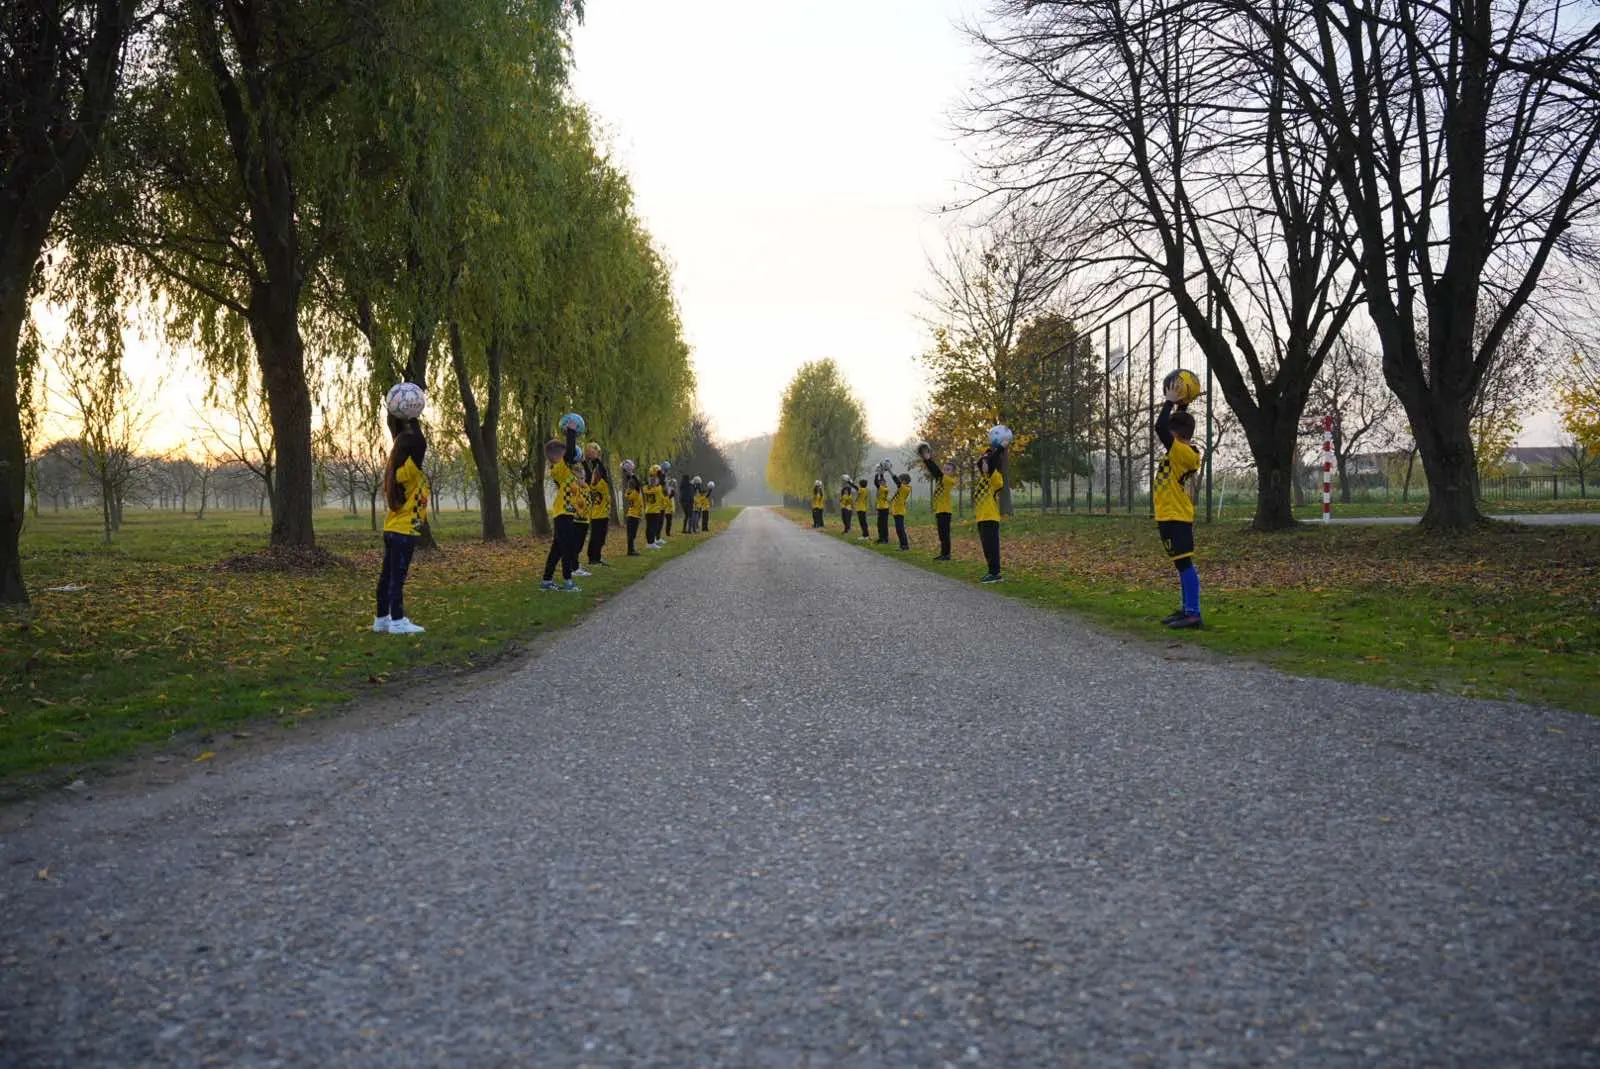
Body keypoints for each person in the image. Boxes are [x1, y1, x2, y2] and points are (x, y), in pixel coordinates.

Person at [374, 411, 429, 634]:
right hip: (404, 532)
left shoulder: (393, 473)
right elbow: (420, 443)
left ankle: (381, 619)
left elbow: (411, 444)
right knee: (397, 577)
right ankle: (397, 621)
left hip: (392, 529)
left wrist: (401, 419)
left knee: (387, 576)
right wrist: (413, 418)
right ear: (408, 455)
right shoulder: (409, 472)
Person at [1154, 393, 1204, 628]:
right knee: (1180, 564)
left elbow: (1160, 426)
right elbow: (1169, 426)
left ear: (1176, 434)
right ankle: (1187, 610)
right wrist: (1182, 405)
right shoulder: (1180, 450)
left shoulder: (1183, 452)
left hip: (1177, 515)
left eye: (1171, 432)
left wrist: (1169, 400)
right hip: (1167, 514)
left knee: (1185, 564)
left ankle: (1193, 613)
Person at [541, 418, 583, 592]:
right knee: (568, 548)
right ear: (558, 455)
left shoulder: (564, 469)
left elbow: (573, 455)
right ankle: (568, 582)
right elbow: (571, 451)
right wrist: (571, 432)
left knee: (557, 549)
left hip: (566, 514)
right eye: (565, 454)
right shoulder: (558, 468)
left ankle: (546, 581)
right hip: (563, 514)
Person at [974, 440, 1007, 584]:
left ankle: (995, 573)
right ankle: (992, 572)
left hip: (990, 518)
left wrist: (1000, 448)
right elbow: (980, 463)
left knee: (992, 547)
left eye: (987, 461)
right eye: (983, 462)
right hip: (981, 518)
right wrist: (984, 458)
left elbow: (992, 462)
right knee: (987, 548)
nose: (984, 463)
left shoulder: (995, 478)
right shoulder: (983, 479)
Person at [918, 443, 953, 560]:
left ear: (951, 472)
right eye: (944, 468)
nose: (945, 470)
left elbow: (936, 471)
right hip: (939, 511)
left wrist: (928, 459)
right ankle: (943, 554)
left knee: (945, 534)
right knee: (942, 535)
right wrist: (925, 460)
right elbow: (935, 472)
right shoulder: (941, 480)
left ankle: (947, 555)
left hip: (945, 511)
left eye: (948, 469)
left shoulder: (948, 480)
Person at [585, 443, 612, 567]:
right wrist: (596, 459)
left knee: (600, 539)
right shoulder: (600, 484)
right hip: (598, 516)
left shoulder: (594, 485)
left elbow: (598, 471)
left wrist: (589, 462)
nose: (597, 474)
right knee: (596, 538)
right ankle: (593, 560)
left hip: (602, 515)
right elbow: (603, 471)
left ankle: (597, 557)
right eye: (596, 474)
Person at [569, 462, 591, 578]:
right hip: (577, 520)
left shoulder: (586, 487)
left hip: (585, 520)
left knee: (580, 545)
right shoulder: (574, 487)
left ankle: (575, 566)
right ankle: (574, 568)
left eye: (584, 477)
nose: (583, 480)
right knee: (575, 545)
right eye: (580, 478)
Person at [644, 467, 665, 549]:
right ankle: (652, 542)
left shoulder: (646, 489)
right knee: (653, 527)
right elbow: (660, 483)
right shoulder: (658, 489)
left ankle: (649, 542)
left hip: (648, 510)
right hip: (655, 511)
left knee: (649, 527)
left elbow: (647, 484)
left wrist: (652, 476)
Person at [890, 472, 911, 550]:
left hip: (900, 511)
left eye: (900, 480)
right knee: (899, 530)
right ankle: (902, 545)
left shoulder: (906, 488)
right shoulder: (901, 488)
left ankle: (905, 546)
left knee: (900, 529)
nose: (899, 481)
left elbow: (897, 481)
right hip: (896, 511)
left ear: (904, 481)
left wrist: (889, 470)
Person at [874, 469, 891, 544]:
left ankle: (885, 539)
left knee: (884, 524)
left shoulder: (885, 489)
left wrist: (877, 474)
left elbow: (876, 483)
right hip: (880, 508)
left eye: (882, 482)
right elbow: (877, 484)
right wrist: (881, 473)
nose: (881, 483)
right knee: (879, 524)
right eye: (880, 482)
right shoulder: (880, 489)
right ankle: (880, 538)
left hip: (885, 508)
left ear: (885, 483)